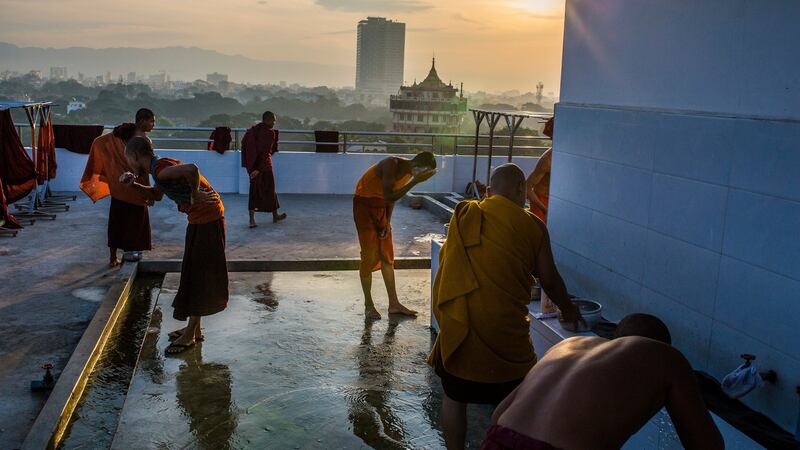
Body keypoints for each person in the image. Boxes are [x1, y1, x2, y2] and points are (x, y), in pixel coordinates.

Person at [428, 163, 583, 450]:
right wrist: (569, 309)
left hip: (462, 329)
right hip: (507, 338)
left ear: (488, 192)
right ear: (522, 191)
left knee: (454, 397)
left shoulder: (466, 215)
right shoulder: (534, 226)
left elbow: (453, 268)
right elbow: (549, 279)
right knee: (516, 405)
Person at [485, 314, 725, 450]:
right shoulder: (667, 357)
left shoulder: (567, 345)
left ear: (616, 337)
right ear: (663, 343)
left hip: (498, 440)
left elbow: (498, 415)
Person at [121, 137, 228, 355]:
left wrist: (195, 193)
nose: (129, 164)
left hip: (208, 219)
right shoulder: (158, 169)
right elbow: (154, 196)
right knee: (192, 271)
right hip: (201, 219)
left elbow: (192, 169)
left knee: (198, 274)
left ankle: (191, 333)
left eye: (128, 159)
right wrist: (133, 185)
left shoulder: (161, 170)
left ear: (135, 156)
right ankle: (193, 329)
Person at [353, 152, 437, 320]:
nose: (422, 177)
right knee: (369, 256)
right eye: (423, 173)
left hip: (382, 208)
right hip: (363, 205)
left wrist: (387, 222)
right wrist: (415, 181)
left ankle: (394, 304)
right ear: (416, 165)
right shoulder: (391, 164)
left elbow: (391, 200)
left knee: (387, 256)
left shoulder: (408, 174)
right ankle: (368, 305)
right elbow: (389, 195)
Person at [79, 108, 161, 267]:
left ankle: (112, 258)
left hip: (119, 187)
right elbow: (143, 169)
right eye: (152, 121)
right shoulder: (143, 141)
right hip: (135, 189)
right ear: (143, 121)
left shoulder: (119, 134)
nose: (153, 125)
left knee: (117, 224)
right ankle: (132, 255)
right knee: (136, 225)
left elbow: (100, 142)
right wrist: (149, 193)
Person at [242, 111, 286, 228]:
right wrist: (259, 169)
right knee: (269, 190)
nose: (274, 123)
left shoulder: (253, 131)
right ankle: (273, 216)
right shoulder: (269, 133)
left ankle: (254, 220)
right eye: (273, 120)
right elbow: (265, 152)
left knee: (255, 192)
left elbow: (244, 145)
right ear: (267, 120)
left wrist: (251, 167)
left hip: (253, 166)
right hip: (264, 167)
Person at [526, 117, 553, 224]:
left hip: (555, 202)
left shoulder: (568, 157)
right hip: (542, 201)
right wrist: (544, 210)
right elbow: (527, 186)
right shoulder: (547, 160)